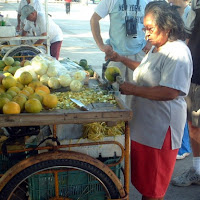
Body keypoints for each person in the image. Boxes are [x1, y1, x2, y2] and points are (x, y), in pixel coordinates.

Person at [106, 1, 192, 199]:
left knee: (154, 188)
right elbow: (146, 70)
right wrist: (121, 58)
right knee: (146, 184)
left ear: (167, 26)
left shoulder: (177, 52)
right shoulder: (156, 47)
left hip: (160, 131)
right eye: (144, 28)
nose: (146, 33)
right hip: (145, 127)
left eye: (150, 28)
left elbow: (170, 92)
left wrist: (133, 90)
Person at [90, 0, 152, 107]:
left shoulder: (148, 1)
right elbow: (94, 19)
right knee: (112, 94)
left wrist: (149, 43)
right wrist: (101, 45)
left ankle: (132, 123)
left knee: (137, 96)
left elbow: (158, 20)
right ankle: (114, 121)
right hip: (115, 55)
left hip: (139, 54)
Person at [172, 0, 200, 186]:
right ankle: (198, 170)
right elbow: (189, 36)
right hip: (195, 75)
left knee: (195, 125)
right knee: (194, 125)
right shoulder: (196, 7)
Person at [167, 0, 192, 160]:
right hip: (179, 63)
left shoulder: (191, 13)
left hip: (186, 64)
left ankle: (184, 148)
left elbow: (188, 41)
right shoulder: (175, 11)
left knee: (183, 107)